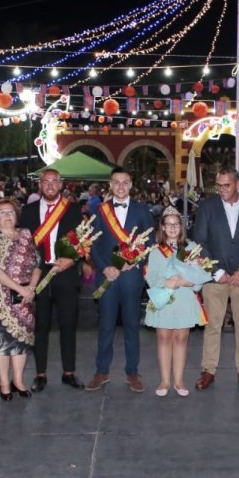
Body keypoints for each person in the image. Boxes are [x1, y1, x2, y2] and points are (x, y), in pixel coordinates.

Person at [191, 168, 239, 391]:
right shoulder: (207, 207)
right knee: (213, 326)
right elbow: (200, 243)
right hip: (215, 279)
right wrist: (217, 272)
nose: (221, 190)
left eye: (226, 185)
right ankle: (208, 370)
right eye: (219, 185)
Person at [88, 167, 155, 392]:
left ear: (131, 184)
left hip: (131, 276)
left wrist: (134, 261)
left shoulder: (142, 210)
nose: (121, 186)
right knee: (105, 326)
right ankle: (101, 371)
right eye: (116, 182)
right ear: (110, 184)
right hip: (107, 276)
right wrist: (104, 267)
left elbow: (150, 241)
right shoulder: (99, 210)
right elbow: (93, 244)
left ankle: (132, 373)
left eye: (125, 182)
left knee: (131, 326)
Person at [20, 169, 84, 391]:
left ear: (61, 184)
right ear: (40, 184)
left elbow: (82, 242)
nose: (49, 185)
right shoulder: (27, 211)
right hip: (38, 275)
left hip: (65, 273)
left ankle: (69, 372)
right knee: (40, 326)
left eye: (54, 181)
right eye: (45, 182)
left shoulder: (73, 210)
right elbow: (24, 246)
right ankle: (40, 374)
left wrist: (72, 259)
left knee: (68, 324)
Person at [143, 207, 203, 397]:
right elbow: (150, 277)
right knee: (163, 338)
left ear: (181, 227)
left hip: (184, 298)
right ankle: (164, 380)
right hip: (164, 299)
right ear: (162, 227)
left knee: (181, 339)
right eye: (168, 224)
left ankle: (178, 380)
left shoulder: (191, 248)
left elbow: (200, 275)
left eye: (176, 224)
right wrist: (166, 282)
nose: (172, 228)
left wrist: (187, 281)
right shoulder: (155, 251)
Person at [0, 198, 40, 400]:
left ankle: (18, 380)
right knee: (1, 343)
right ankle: (4, 383)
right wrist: (19, 289)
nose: (7, 216)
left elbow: (37, 263)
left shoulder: (26, 235)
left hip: (25, 299)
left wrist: (31, 288)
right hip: (0, 298)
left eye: (11, 212)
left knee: (22, 341)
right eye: (2, 213)